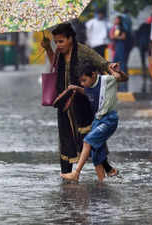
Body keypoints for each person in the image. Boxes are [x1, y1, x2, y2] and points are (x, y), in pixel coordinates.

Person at [41, 23, 122, 176]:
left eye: (61, 41)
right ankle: (67, 175)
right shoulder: (58, 52)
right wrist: (48, 48)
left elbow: (101, 62)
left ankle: (107, 169)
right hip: (64, 102)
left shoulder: (83, 51)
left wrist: (111, 67)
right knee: (65, 138)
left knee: (89, 137)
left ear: (70, 38)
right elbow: (55, 64)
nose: (58, 45)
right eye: (56, 42)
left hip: (82, 101)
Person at [60, 62, 128, 182]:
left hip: (109, 120)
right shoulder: (88, 86)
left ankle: (76, 173)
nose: (83, 83)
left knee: (87, 141)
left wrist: (115, 71)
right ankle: (102, 181)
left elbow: (122, 78)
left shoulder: (106, 80)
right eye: (81, 81)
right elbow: (87, 92)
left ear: (93, 75)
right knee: (96, 154)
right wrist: (77, 88)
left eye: (84, 80)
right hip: (98, 120)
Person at [110, 16, 128, 91]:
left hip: (120, 45)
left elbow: (123, 37)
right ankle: (116, 74)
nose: (115, 20)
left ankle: (122, 75)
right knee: (115, 61)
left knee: (121, 61)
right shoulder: (115, 27)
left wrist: (115, 37)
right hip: (116, 45)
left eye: (116, 19)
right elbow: (112, 36)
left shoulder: (121, 27)